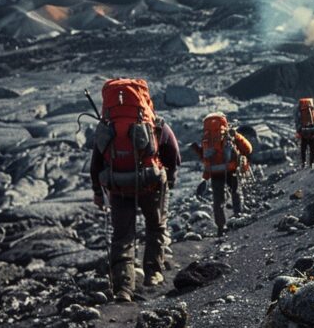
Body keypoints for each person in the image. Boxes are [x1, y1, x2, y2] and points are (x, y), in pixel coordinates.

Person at [90, 79, 180, 302]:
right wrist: (170, 179)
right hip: (152, 186)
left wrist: (98, 193)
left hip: (119, 188)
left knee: (122, 237)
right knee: (155, 227)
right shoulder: (156, 125)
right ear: (145, 99)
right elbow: (174, 154)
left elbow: (96, 163)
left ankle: (123, 288)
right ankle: (153, 273)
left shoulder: (107, 128)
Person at [200, 112, 253, 237]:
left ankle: (220, 227)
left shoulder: (207, 137)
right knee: (235, 192)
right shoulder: (230, 134)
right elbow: (248, 149)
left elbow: (205, 157)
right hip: (231, 169)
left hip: (214, 171)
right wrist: (237, 137)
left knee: (218, 200)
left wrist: (206, 176)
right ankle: (237, 217)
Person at [295, 98, 314, 169]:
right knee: (312, 149)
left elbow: (297, 122)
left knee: (303, 149)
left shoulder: (300, 113)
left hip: (304, 133)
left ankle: (303, 163)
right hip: (313, 133)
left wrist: (299, 131)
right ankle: (312, 164)